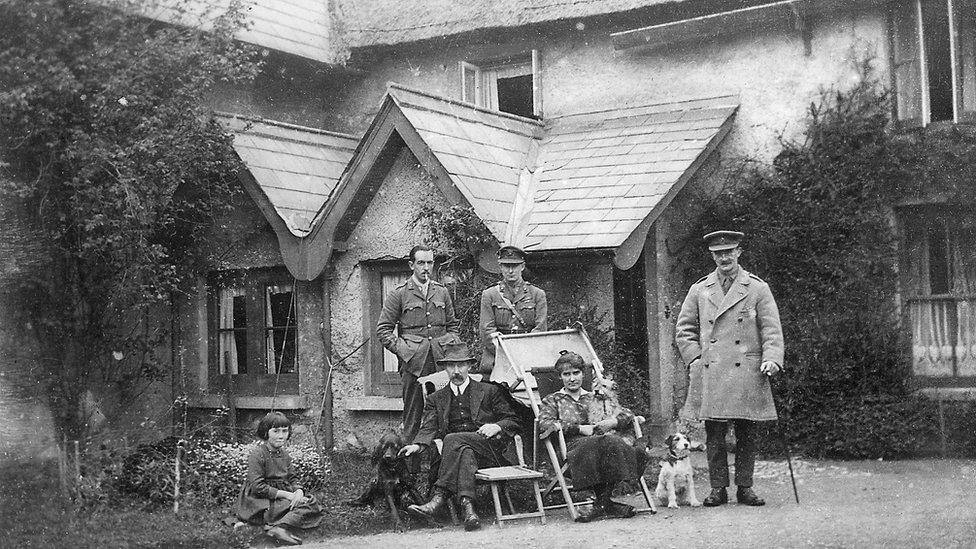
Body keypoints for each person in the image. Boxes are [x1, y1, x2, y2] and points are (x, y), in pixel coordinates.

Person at [675, 230, 784, 507]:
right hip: (712, 370)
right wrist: (696, 359)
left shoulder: (757, 288)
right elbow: (683, 329)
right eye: (718, 253)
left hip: (747, 369)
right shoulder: (700, 289)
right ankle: (718, 489)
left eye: (729, 252)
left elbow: (771, 330)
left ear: (739, 253)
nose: (724, 257)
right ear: (712, 256)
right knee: (715, 433)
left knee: (747, 431)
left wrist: (772, 358)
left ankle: (745, 487)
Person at [400, 342, 521, 531]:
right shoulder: (436, 398)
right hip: (461, 456)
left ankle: (438, 498)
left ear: (470, 366)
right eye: (451, 366)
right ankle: (469, 510)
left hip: (489, 450)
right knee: (463, 450)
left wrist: (496, 426)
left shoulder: (489, 391)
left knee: (452, 439)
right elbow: (429, 426)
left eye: (461, 365)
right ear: (445, 368)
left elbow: (512, 420)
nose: (456, 371)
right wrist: (416, 445)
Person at [537, 350, 647, 522]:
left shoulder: (595, 396)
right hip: (572, 446)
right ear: (560, 377)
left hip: (603, 442)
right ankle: (608, 505)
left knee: (610, 441)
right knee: (607, 442)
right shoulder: (553, 400)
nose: (572, 378)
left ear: (583, 374)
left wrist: (613, 422)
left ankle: (602, 505)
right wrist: (579, 428)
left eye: (576, 373)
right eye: (567, 374)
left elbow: (627, 413)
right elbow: (545, 423)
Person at [376, 244, 461, 455]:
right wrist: (405, 351)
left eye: (429, 262)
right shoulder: (400, 294)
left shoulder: (441, 292)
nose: (426, 267)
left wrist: (450, 350)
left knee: (444, 411)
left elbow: (452, 326)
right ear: (411, 265)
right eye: (421, 263)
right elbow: (383, 330)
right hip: (414, 364)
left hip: (441, 360)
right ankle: (410, 467)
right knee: (413, 415)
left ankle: (441, 461)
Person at [236, 412, 323, 545]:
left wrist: (298, 491)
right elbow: (258, 487)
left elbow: (293, 478)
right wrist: (288, 495)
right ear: (266, 432)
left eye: (284, 431)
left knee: (310, 501)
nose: (281, 435)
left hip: (281, 496)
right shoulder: (258, 454)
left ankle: (279, 527)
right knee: (303, 506)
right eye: (276, 431)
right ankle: (279, 526)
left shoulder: (285, 455)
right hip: (261, 500)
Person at [479, 245, 547, 374]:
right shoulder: (490, 294)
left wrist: (522, 354)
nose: (510, 270)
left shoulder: (537, 294)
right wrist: (506, 353)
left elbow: (540, 329)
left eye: (514, 266)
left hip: (529, 356)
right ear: (500, 267)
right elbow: (486, 331)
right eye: (506, 266)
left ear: (522, 266)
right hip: (498, 357)